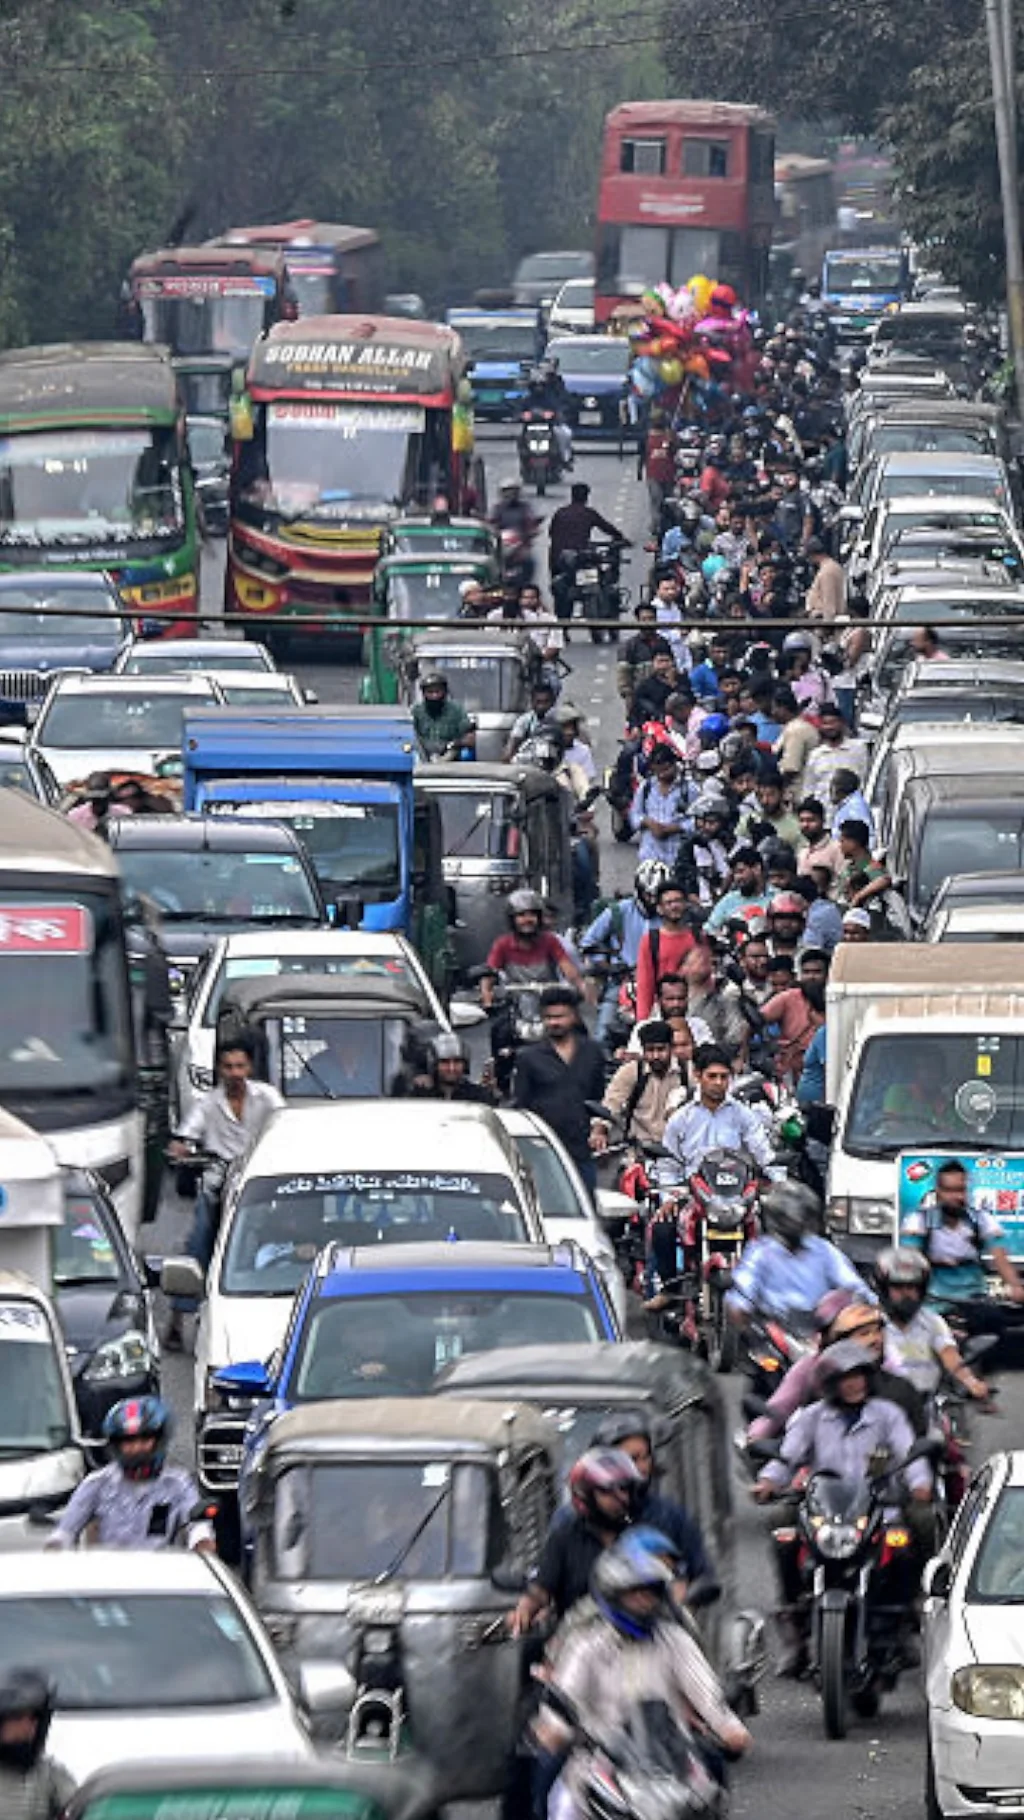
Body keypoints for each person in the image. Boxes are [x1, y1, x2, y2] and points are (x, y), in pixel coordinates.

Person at [752, 1340, 932, 1674]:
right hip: (825, 1512)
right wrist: (768, 1482)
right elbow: (788, 1456)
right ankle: (794, 1623)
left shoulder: (888, 1416)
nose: (854, 1384)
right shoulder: (812, 1418)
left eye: (859, 1376)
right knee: (782, 1532)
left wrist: (920, 1484)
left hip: (879, 1510)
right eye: (846, 1377)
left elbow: (909, 1455)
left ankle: (907, 1616)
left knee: (908, 1543)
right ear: (830, 1383)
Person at [533, 1534, 751, 1797]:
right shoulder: (586, 1644)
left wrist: (728, 1728)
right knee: (549, 1790)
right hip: (600, 1760)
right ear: (613, 1595)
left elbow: (705, 1691)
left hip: (671, 1758)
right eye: (634, 1595)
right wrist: (554, 1729)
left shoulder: (675, 1640)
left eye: (650, 1594)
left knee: (712, 1788)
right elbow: (565, 1695)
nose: (644, 1602)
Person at [166, 1035, 284, 1348]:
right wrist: (182, 1146)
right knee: (200, 1237)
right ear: (219, 1069)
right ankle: (179, 1318)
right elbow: (187, 1133)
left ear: (250, 1068)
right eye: (228, 1066)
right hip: (219, 1180)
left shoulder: (268, 1098)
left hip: (258, 1180)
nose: (234, 1073)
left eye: (240, 1066)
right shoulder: (208, 1104)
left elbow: (284, 1123)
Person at [49, 1396, 215, 1552]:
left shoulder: (178, 1484)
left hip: (162, 1575)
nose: (136, 1449)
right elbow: (65, 1532)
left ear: (159, 1440)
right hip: (108, 1576)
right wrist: (56, 1550)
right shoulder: (96, 1484)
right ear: (116, 1445)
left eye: (144, 1440)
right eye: (128, 1442)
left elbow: (198, 1528)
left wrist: (202, 1542)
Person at [510, 1448, 645, 1633]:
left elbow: (668, 1584)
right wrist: (524, 1610)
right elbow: (542, 1589)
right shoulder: (564, 1537)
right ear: (586, 1494)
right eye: (607, 1491)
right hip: (578, 1639)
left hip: (637, 1639)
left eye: (624, 1488)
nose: (621, 1497)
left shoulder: (641, 1537)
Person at [726, 1180, 866, 1325]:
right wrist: (741, 1308)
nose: (796, 1223)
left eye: (802, 1218)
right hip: (774, 1329)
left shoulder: (823, 1250)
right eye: (790, 1220)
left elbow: (852, 1284)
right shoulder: (761, 1252)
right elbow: (743, 1291)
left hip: (818, 1327)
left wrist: (862, 1300)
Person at [513, 985, 607, 1194]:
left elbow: (599, 1097)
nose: (554, 1022)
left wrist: (598, 1128)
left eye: (560, 1016)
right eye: (549, 1017)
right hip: (543, 1152)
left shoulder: (592, 1053)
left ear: (574, 1016)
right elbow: (521, 1104)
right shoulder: (529, 1058)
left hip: (581, 1150)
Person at [903, 1158, 1024, 1314]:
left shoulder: (981, 1219)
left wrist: (1014, 1286)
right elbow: (910, 1259)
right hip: (933, 1301)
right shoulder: (919, 1221)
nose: (956, 1197)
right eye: (949, 1190)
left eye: (960, 1190)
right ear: (938, 1192)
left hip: (974, 1298)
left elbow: (1000, 1257)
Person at [875, 1247, 990, 1401]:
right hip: (883, 1404)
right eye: (897, 1287)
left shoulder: (932, 1321)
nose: (905, 1294)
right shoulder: (871, 1322)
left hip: (926, 1403)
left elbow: (949, 1354)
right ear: (884, 1289)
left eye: (911, 1287)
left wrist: (971, 1382)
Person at [581, 859, 666, 1047]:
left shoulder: (672, 918)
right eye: (648, 894)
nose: (652, 900)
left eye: (657, 896)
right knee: (602, 1034)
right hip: (622, 983)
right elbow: (588, 943)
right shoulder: (618, 911)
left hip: (662, 986)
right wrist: (608, 966)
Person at [663, 1044, 774, 1178]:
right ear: (698, 1076)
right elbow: (668, 1163)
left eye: (723, 1077)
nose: (718, 1082)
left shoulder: (743, 1115)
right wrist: (670, 1195)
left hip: (735, 1188)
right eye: (712, 1076)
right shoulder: (681, 1118)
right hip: (693, 1190)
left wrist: (772, 1175)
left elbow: (762, 1153)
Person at [591, 1019, 687, 1152]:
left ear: (671, 1048)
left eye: (661, 1050)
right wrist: (599, 1132)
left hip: (677, 1151)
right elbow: (611, 1104)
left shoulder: (686, 1073)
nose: (655, 1056)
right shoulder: (631, 1072)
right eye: (650, 1050)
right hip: (638, 1150)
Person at [482, 888, 582, 1007]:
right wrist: (487, 995)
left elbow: (567, 968)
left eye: (532, 914)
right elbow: (489, 974)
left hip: (547, 1002)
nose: (527, 920)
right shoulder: (502, 944)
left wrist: (579, 986)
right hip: (514, 1005)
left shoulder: (550, 941)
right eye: (521, 915)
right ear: (512, 920)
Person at [0, 1671, 74, 1819]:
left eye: (33, 1718)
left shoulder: (49, 1773)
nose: (27, 1727)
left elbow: (80, 1808)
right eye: (17, 1717)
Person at [549, 483, 628, 621]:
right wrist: (620, 538)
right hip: (578, 559)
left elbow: (551, 533)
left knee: (561, 593)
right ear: (586, 497)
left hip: (559, 561)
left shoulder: (560, 513)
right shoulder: (588, 513)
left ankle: (563, 624)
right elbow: (607, 528)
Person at [634, 879, 702, 1022]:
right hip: (663, 1008)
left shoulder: (698, 937)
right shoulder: (650, 940)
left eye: (678, 901)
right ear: (659, 908)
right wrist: (643, 1021)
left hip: (695, 1008)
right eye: (669, 903)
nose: (674, 906)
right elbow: (645, 983)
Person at [630, 743, 691, 869]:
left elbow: (697, 821)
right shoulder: (646, 788)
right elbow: (634, 816)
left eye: (666, 769)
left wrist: (674, 828)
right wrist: (648, 822)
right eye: (657, 771)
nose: (662, 775)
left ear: (674, 764)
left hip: (677, 858)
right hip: (650, 857)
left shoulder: (689, 789)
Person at [626, 972, 714, 1055]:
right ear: (658, 1000)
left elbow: (709, 1054)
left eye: (681, 998)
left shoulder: (699, 1025)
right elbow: (634, 1055)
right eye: (670, 999)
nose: (676, 1004)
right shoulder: (643, 1027)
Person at [801, 704, 868, 802]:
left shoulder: (858, 749)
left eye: (833, 722)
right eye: (825, 723)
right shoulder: (815, 755)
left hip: (852, 811)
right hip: (824, 812)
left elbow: (866, 780)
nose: (829, 727)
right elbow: (809, 789)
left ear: (841, 723)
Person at [616, 603, 674, 713]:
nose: (648, 622)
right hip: (639, 698)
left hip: (663, 698)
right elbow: (623, 677)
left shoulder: (663, 643)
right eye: (644, 619)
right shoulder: (629, 646)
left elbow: (672, 668)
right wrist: (630, 698)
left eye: (651, 618)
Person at [704, 845, 771, 935]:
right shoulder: (729, 900)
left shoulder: (776, 898)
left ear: (757, 868)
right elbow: (709, 929)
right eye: (734, 873)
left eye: (740, 871)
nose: (737, 878)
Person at [411, 671, 475, 759]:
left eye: (438, 692)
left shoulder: (456, 710)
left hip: (450, 756)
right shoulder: (417, 711)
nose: (434, 696)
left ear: (444, 692)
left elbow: (470, 736)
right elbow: (410, 735)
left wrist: (456, 744)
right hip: (422, 755)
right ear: (424, 694)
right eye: (430, 692)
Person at [413, 1033, 494, 1103]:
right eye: (445, 1062)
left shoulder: (478, 1096)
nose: (451, 1068)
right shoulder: (421, 1097)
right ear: (434, 1064)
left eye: (457, 1062)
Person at [834, 817, 890, 912]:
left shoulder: (869, 865)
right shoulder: (851, 866)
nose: (840, 846)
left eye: (842, 841)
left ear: (853, 843)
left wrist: (858, 896)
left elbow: (884, 879)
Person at [771, 687, 818, 795]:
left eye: (775, 708)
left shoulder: (796, 730)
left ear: (783, 708)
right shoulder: (792, 727)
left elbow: (790, 769)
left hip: (798, 791)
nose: (773, 712)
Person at [505, 679, 558, 759]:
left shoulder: (560, 719)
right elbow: (511, 747)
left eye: (546, 702)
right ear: (532, 702)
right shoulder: (524, 721)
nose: (542, 706)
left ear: (552, 702)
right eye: (538, 702)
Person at [796, 797, 842, 878]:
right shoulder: (802, 851)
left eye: (811, 820)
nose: (805, 825)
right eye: (802, 820)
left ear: (823, 820)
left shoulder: (837, 848)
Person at [804, 534, 845, 623]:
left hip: (825, 623)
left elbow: (829, 602)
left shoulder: (827, 571)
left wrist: (826, 626)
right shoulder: (831, 568)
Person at [830, 770, 876, 845]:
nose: (830, 790)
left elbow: (865, 839)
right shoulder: (846, 806)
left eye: (833, 785)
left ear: (841, 789)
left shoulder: (855, 808)